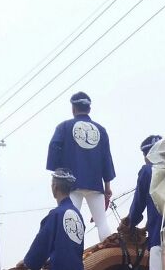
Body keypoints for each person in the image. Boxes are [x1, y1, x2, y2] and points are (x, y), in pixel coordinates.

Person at [46, 92, 115, 243]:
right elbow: (106, 158)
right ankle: (112, 254)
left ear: (73, 109)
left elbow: (54, 147)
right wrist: (107, 187)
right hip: (95, 184)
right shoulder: (101, 131)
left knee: (69, 222)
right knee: (102, 223)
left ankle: (71, 257)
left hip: (70, 185)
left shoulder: (64, 127)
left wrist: (58, 172)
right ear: (89, 109)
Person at [121, 134, 164, 270]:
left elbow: (138, 206)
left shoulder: (148, 171)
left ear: (148, 154)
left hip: (159, 238)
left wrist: (130, 223)